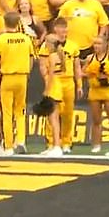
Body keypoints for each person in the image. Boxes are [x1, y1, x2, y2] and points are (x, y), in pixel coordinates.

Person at [0, 11, 35, 155]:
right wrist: (26, 71)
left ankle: (8, 146)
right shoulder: (25, 39)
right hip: (22, 77)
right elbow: (31, 58)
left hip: (7, 77)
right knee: (20, 111)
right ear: (18, 23)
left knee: (7, 113)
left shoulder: (0, 40)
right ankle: (21, 140)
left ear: (4, 22)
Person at [38, 17, 82, 154]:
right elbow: (42, 66)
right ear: (55, 29)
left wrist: (79, 84)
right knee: (52, 113)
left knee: (67, 113)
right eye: (60, 27)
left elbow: (76, 67)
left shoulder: (73, 46)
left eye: (65, 28)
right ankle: (52, 142)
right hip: (55, 81)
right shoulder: (46, 47)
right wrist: (46, 81)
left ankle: (66, 142)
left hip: (68, 81)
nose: (62, 31)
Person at [83, 36, 109, 153]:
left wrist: (107, 75)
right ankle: (96, 145)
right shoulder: (90, 58)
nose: (96, 46)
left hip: (108, 91)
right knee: (96, 120)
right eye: (95, 44)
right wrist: (92, 73)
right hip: (94, 90)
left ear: (105, 45)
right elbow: (82, 73)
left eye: (99, 44)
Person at [41, 34, 65, 157]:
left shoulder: (52, 57)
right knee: (52, 118)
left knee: (53, 118)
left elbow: (50, 75)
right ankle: (54, 146)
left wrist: (47, 89)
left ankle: (56, 145)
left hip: (53, 86)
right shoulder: (60, 55)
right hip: (58, 84)